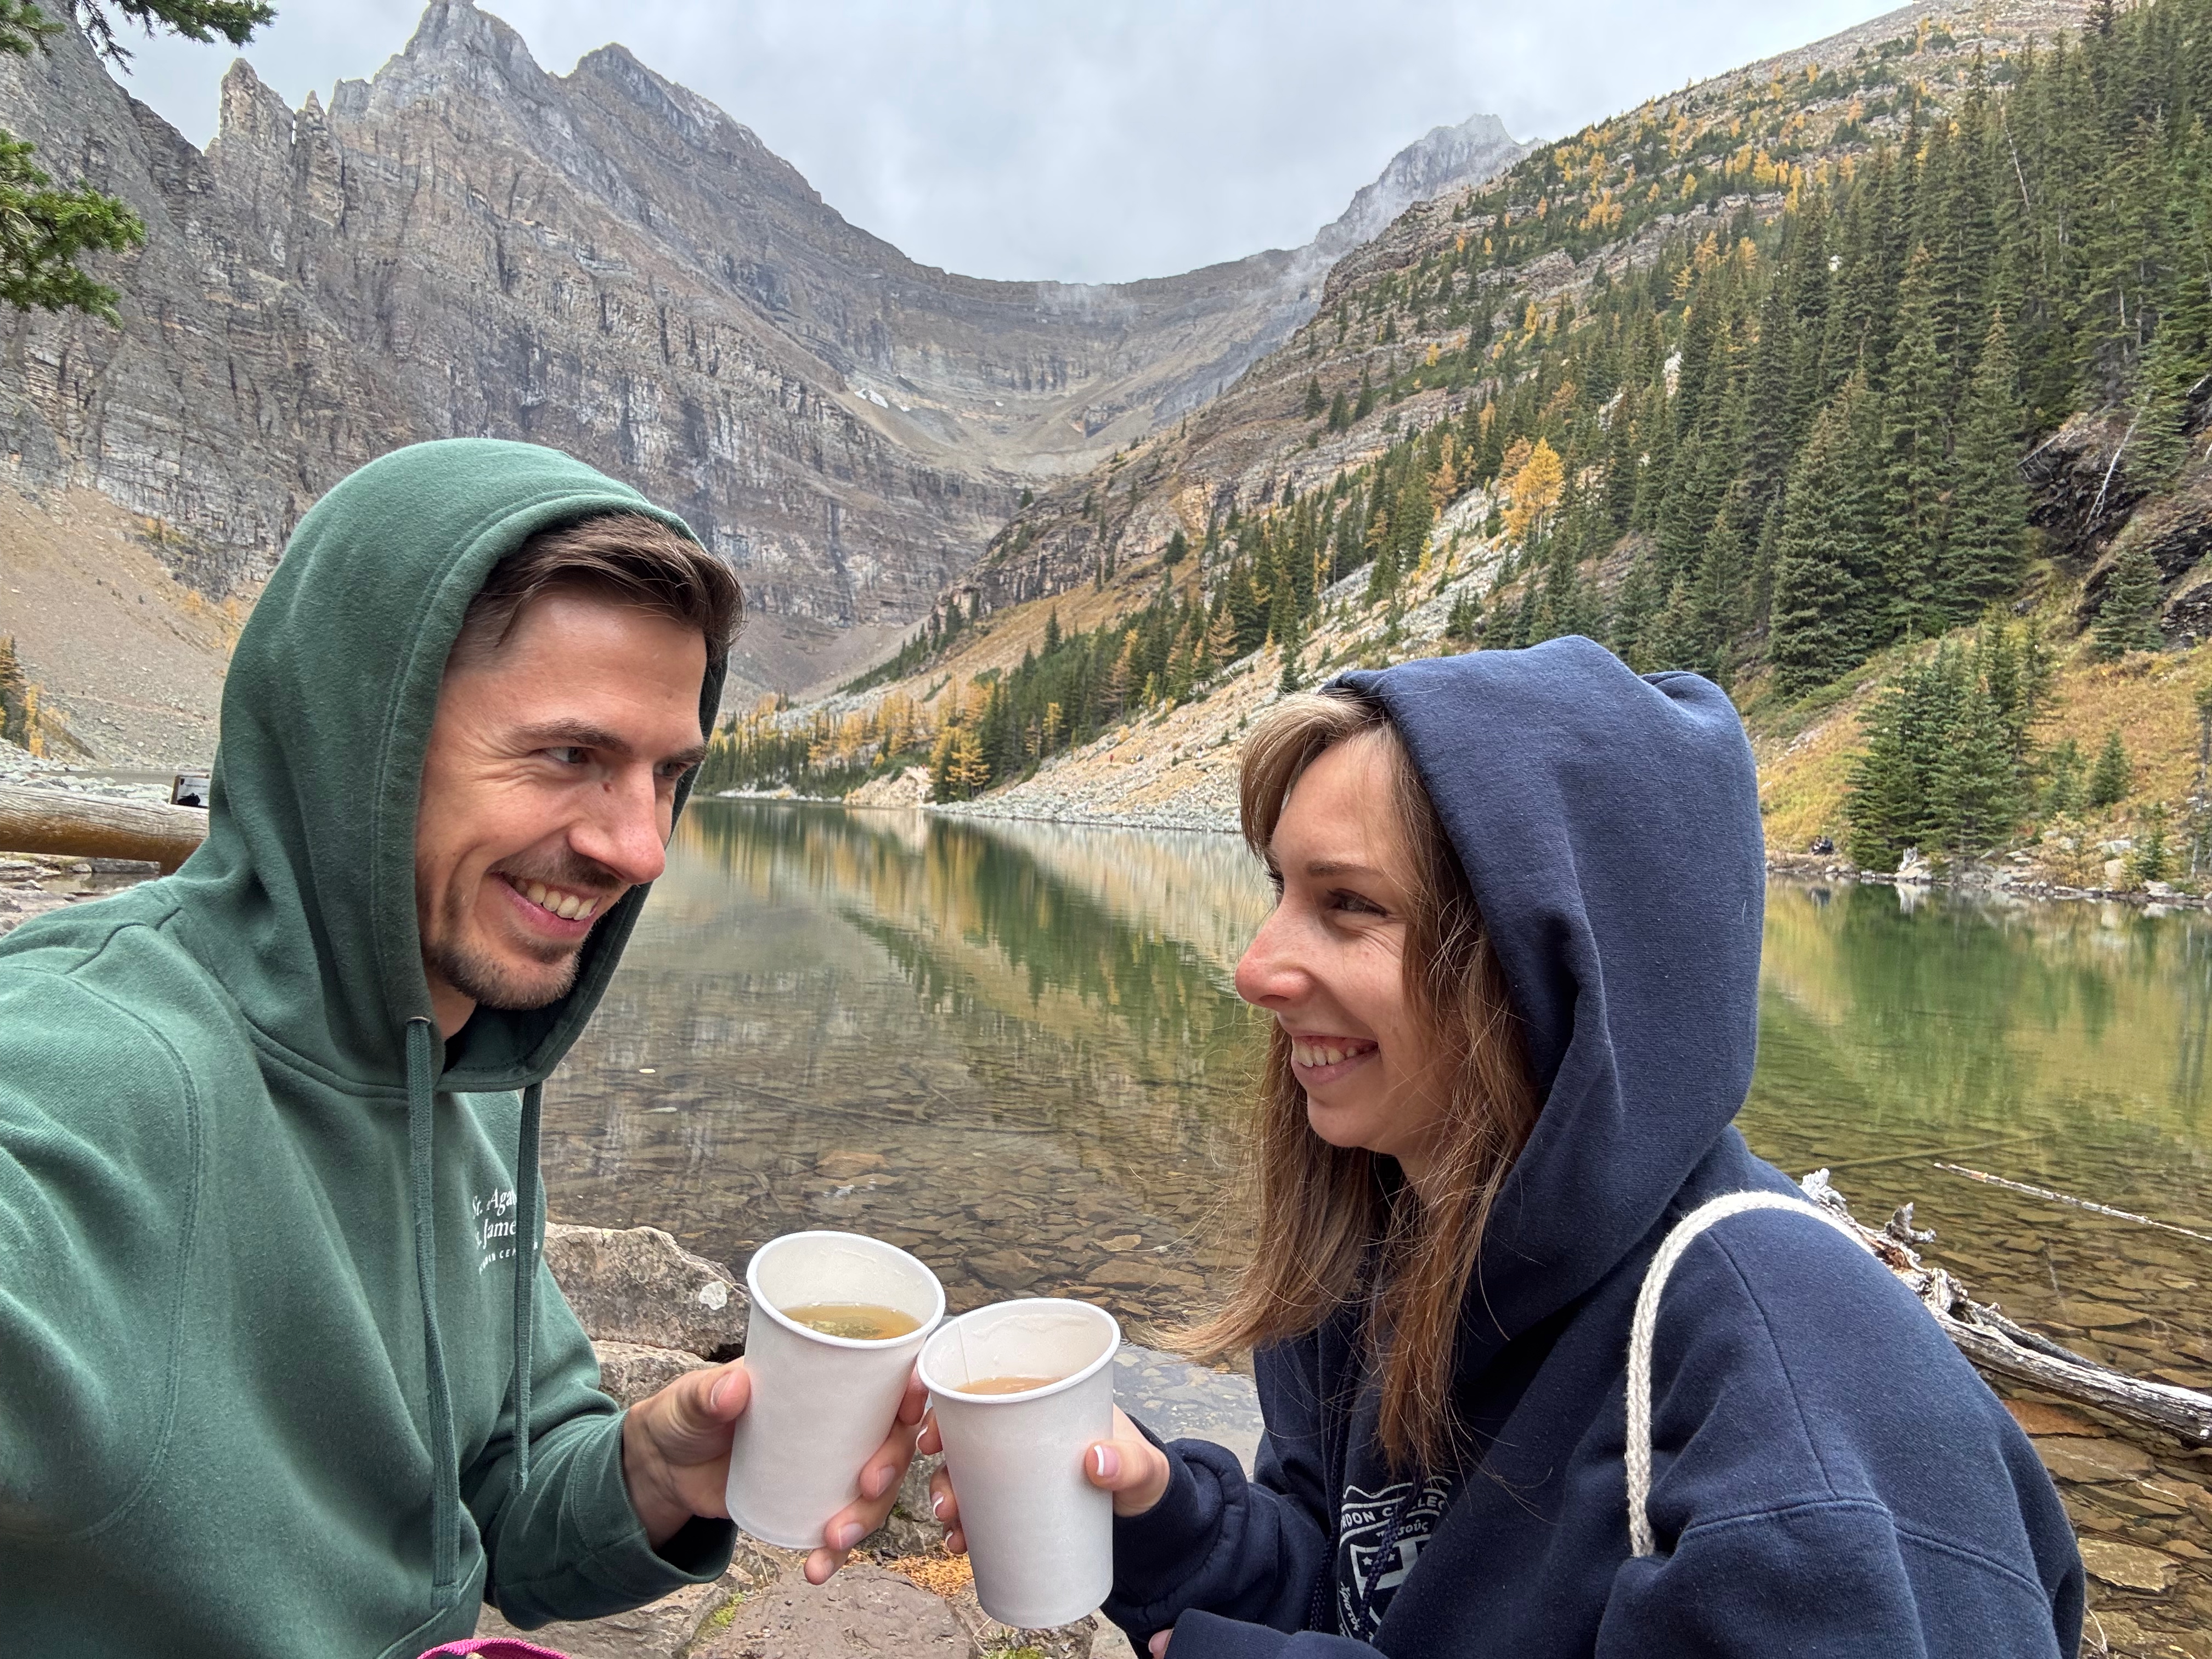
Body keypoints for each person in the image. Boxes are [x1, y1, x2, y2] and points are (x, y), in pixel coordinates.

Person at [928, 637, 2083, 1657]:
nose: (1253, 967)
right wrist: (1158, 1519)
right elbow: (1351, 1583)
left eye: (1350, 906)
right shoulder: (1375, 1239)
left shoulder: (1808, 1423)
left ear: (1544, 963)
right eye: (1280, 888)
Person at [0, 441, 924, 1655]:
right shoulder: (82, 1070)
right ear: (357, 743)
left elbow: (492, 1504)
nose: (641, 849)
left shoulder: (469, 1065)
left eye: (667, 776)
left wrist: (653, 1469)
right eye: (569, 756)